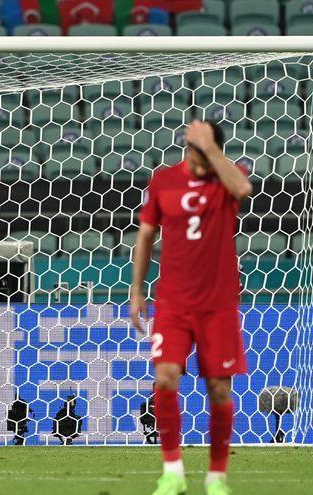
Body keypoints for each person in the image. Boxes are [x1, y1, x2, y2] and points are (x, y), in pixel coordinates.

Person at [130, 120, 252, 495]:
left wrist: (213, 151)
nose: (194, 158)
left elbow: (244, 189)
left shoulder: (227, 179)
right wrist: (136, 290)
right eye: (191, 148)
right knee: (165, 376)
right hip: (174, 301)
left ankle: (216, 478)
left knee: (218, 388)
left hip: (218, 303)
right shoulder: (164, 180)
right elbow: (146, 235)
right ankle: (173, 472)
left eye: (201, 149)